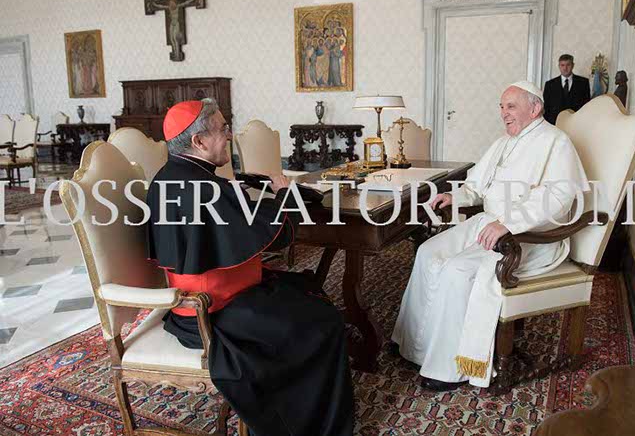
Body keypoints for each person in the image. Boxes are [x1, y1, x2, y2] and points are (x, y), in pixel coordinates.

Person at [146, 98, 354, 436]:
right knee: (324, 322)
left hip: (201, 304)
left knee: (307, 291)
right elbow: (278, 235)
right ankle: (312, 426)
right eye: (222, 129)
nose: (229, 135)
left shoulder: (171, 176)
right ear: (198, 141)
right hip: (214, 314)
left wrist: (241, 195)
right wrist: (284, 194)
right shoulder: (206, 188)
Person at [391, 81, 589, 392]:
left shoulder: (556, 142)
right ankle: (414, 345)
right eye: (501, 107)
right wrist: (456, 197)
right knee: (428, 251)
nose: (503, 113)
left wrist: (508, 222)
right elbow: (476, 185)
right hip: (490, 222)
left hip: (530, 236)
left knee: (458, 270)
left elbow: (559, 198)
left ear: (535, 108)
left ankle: (450, 367)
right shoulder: (503, 142)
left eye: (511, 106)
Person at [543, 54, 591, 124]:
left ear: (573, 65)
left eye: (568, 65)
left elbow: (586, 106)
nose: (565, 68)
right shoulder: (550, 84)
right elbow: (546, 108)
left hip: (577, 124)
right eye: (562, 65)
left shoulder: (583, 83)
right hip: (554, 124)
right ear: (559, 66)